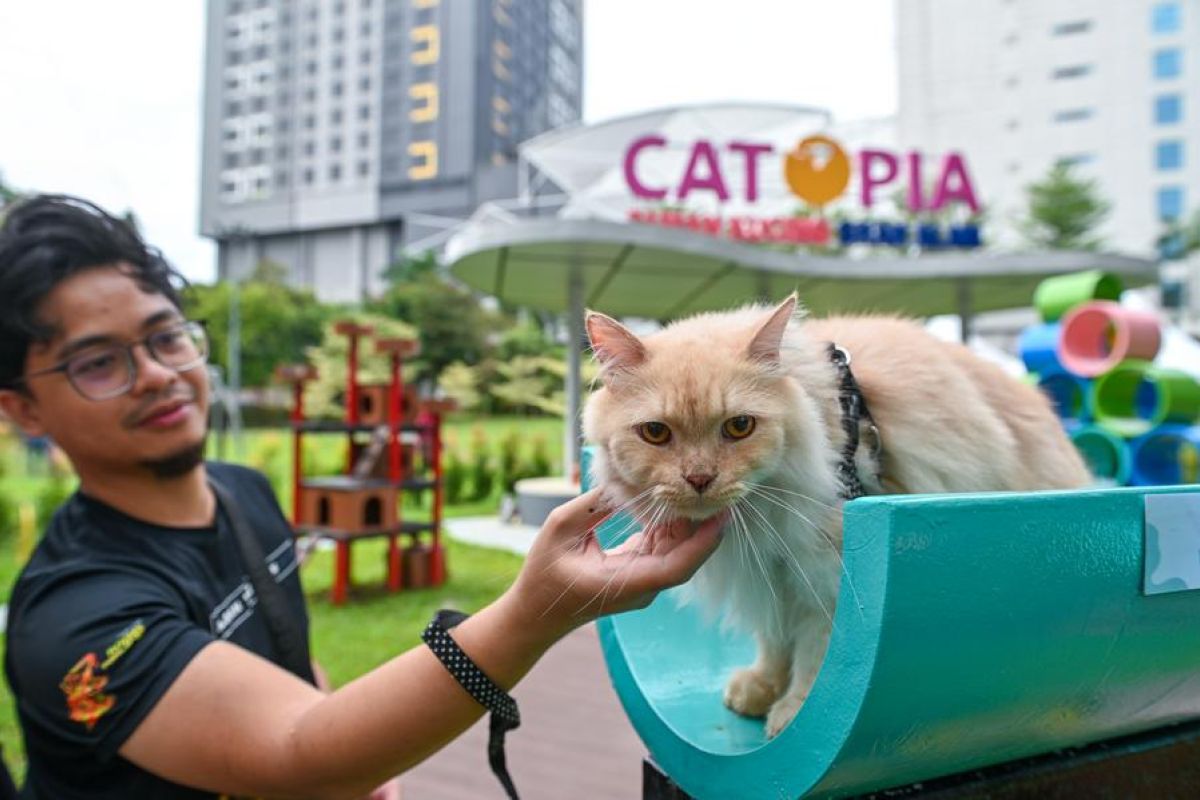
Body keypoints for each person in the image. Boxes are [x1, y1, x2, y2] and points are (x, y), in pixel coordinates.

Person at [0, 195, 726, 799]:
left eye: (166, 337)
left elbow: (288, 669)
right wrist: (535, 612)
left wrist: (356, 753)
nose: (156, 374)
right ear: (22, 410)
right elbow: (293, 750)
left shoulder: (241, 491)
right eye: (99, 363)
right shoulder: (78, 618)